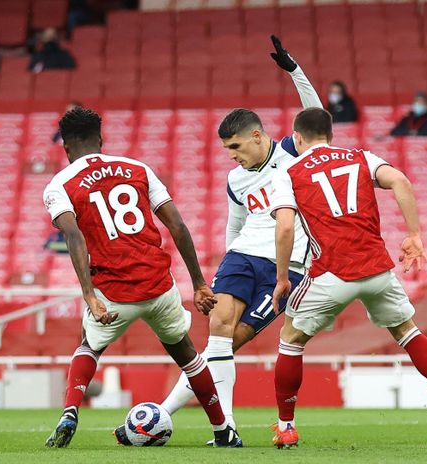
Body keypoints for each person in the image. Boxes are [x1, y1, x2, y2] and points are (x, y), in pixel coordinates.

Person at [113, 36, 322, 447]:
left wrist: (294, 71)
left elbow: (314, 115)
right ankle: (225, 428)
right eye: (227, 150)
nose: (232, 156)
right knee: (218, 334)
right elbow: (235, 226)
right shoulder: (235, 179)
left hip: (287, 268)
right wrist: (216, 273)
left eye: (236, 147)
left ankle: (161, 413)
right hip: (242, 257)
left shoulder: (291, 155)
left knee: (227, 345)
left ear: (259, 136)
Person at [269, 107, 427, 449]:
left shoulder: (288, 172)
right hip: (377, 270)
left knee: (290, 340)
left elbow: (286, 225)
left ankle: (286, 426)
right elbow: (401, 181)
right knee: (407, 332)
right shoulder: (361, 156)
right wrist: (414, 235)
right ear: (330, 135)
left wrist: (281, 279)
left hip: (329, 273)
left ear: (298, 138)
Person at [42, 107, 234, 448]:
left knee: (89, 345)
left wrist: (89, 294)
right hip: (159, 286)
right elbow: (176, 225)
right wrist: (200, 283)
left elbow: (73, 236)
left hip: (114, 293)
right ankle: (223, 431)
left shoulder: (60, 184)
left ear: (67, 148)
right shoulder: (138, 169)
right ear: (100, 140)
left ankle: (70, 411)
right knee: (189, 356)